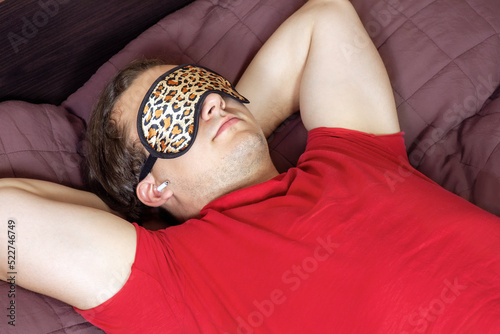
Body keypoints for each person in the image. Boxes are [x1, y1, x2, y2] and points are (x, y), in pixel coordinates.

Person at [1, 0, 500, 333]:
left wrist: (233, 126)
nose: (210, 104)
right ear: (153, 187)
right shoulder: (174, 276)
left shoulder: (353, 156)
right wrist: (125, 212)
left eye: (204, 86)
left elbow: (327, 19)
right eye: (173, 112)